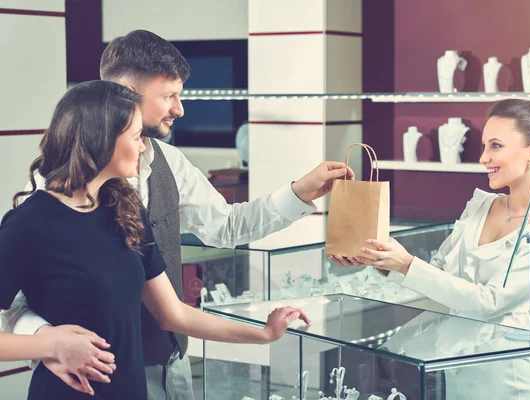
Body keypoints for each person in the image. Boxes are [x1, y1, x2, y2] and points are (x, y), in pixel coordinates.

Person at [0, 30, 353, 398]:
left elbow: (223, 231)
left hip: (167, 364)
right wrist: (48, 343)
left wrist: (300, 193)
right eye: (169, 95)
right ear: (122, 99)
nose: (179, 109)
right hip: (83, 380)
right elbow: (17, 302)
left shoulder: (133, 196)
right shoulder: (39, 207)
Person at [331, 99, 530, 330]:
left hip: (505, 370)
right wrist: (384, 262)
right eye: (484, 146)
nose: (483, 158)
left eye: (495, 146)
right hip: (453, 366)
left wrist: (406, 264)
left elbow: (490, 303)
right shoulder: (480, 206)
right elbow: (437, 276)